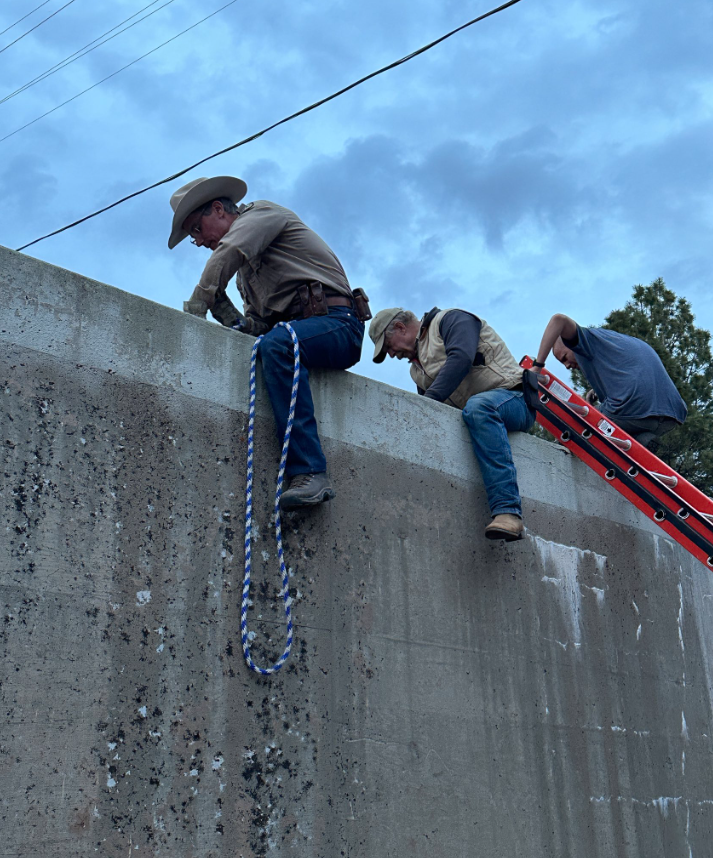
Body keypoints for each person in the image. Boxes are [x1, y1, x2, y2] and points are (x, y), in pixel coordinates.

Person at [168, 175, 367, 509]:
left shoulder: (263, 214)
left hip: (338, 325)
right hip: (296, 334)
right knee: (272, 343)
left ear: (218, 209)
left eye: (197, 230)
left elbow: (229, 251)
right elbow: (261, 325)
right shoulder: (248, 275)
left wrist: (197, 305)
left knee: (278, 344)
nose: (199, 242)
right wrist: (233, 320)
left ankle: (311, 472)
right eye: (192, 238)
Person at [369, 306, 534, 541]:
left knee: (479, 407)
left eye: (388, 347)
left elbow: (461, 358)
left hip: (515, 400)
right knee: (474, 411)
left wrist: (423, 405)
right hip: (480, 416)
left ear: (400, 327)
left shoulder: (450, 319)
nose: (392, 355)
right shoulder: (417, 372)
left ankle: (508, 512)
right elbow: (436, 413)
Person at [533, 314, 686, 449]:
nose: (567, 366)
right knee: (621, 446)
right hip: (669, 415)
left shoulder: (586, 340)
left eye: (565, 357)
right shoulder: (609, 340)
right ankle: (641, 440)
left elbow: (558, 320)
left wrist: (537, 367)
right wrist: (598, 392)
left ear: (570, 343)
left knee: (573, 421)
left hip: (632, 408)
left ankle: (562, 448)